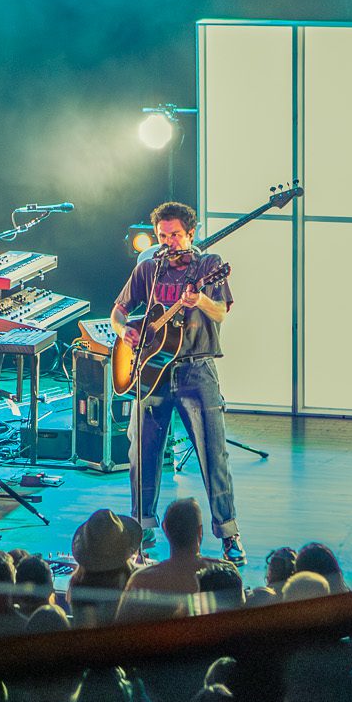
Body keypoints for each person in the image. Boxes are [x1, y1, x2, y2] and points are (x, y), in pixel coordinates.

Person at [110, 201, 243, 563]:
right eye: (162, 236)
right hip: (151, 373)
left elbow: (221, 312)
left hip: (195, 370)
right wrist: (125, 333)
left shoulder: (209, 266)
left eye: (175, 235)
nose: (168, 242)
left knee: (213, 453)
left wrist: (199, 300)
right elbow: (118, 311)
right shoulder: (148, 268)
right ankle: (140, 531)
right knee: (142, 454)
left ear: (191, 233)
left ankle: (229, 533)